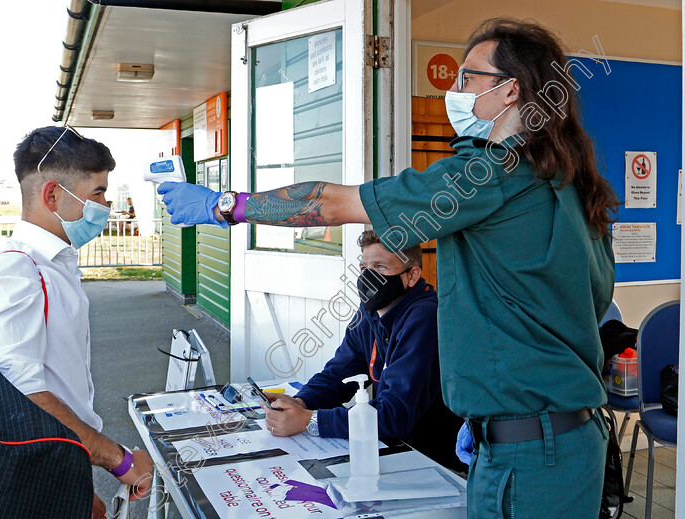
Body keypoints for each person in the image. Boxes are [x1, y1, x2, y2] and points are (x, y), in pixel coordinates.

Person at [158, 18, 618, 518]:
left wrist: (225, 205)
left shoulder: (488, 175)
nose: (453, 88)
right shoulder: (572, 186)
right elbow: (582, 306)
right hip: (558, 440)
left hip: (532, 454)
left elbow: (331, 204)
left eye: (467, 77)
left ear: (510, 91)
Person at [0, 126, 154, 518]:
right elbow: (19, 393)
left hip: (57, 463)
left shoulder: (51, 263)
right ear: (52, 195)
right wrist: (118, 460)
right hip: (30, 476)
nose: (106, 205)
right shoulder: (15, 272)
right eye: (97, 193)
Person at [262, 230, 463, 471]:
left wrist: (310, 420)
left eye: (380, 268)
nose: (369, 278)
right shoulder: (371, 311)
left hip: (433, 465)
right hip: (389, 451)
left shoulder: (425, 317)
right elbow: (339, 373)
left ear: (412, 275)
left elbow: (395, 413)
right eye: (364, 267)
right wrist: (300, 401)